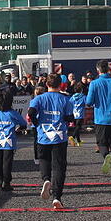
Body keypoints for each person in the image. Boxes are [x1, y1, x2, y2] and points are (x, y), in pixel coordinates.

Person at [28, 74, 73, 209]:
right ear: (60, 85)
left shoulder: (39, 98)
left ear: (46, 85)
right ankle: (57, 197)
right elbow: (70, 118)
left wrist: (37, 123)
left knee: (44, 160)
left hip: (43, 136)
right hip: (59, 137)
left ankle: (46, 179)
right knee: (59, 167)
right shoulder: (66, 99)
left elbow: (30, 113)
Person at [68, 82, 86, 146]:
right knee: (78, 127)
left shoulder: (72, 97)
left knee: (76, 127)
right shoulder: (83, 97)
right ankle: (72, 136)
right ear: (81, 90)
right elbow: (87, 103)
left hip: (74, 113)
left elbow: (69, 104)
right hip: (80, 114)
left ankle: (78, 141)